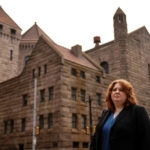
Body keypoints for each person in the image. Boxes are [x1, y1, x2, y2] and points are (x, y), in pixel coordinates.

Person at [90, 79, 150, 150]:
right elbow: (95, 139)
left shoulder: (138, 111)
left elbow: (146, 140)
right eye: (114, 90)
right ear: (110, 94)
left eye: (121, 90)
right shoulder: (105, 113)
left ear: (128, 94)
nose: (117, 92)